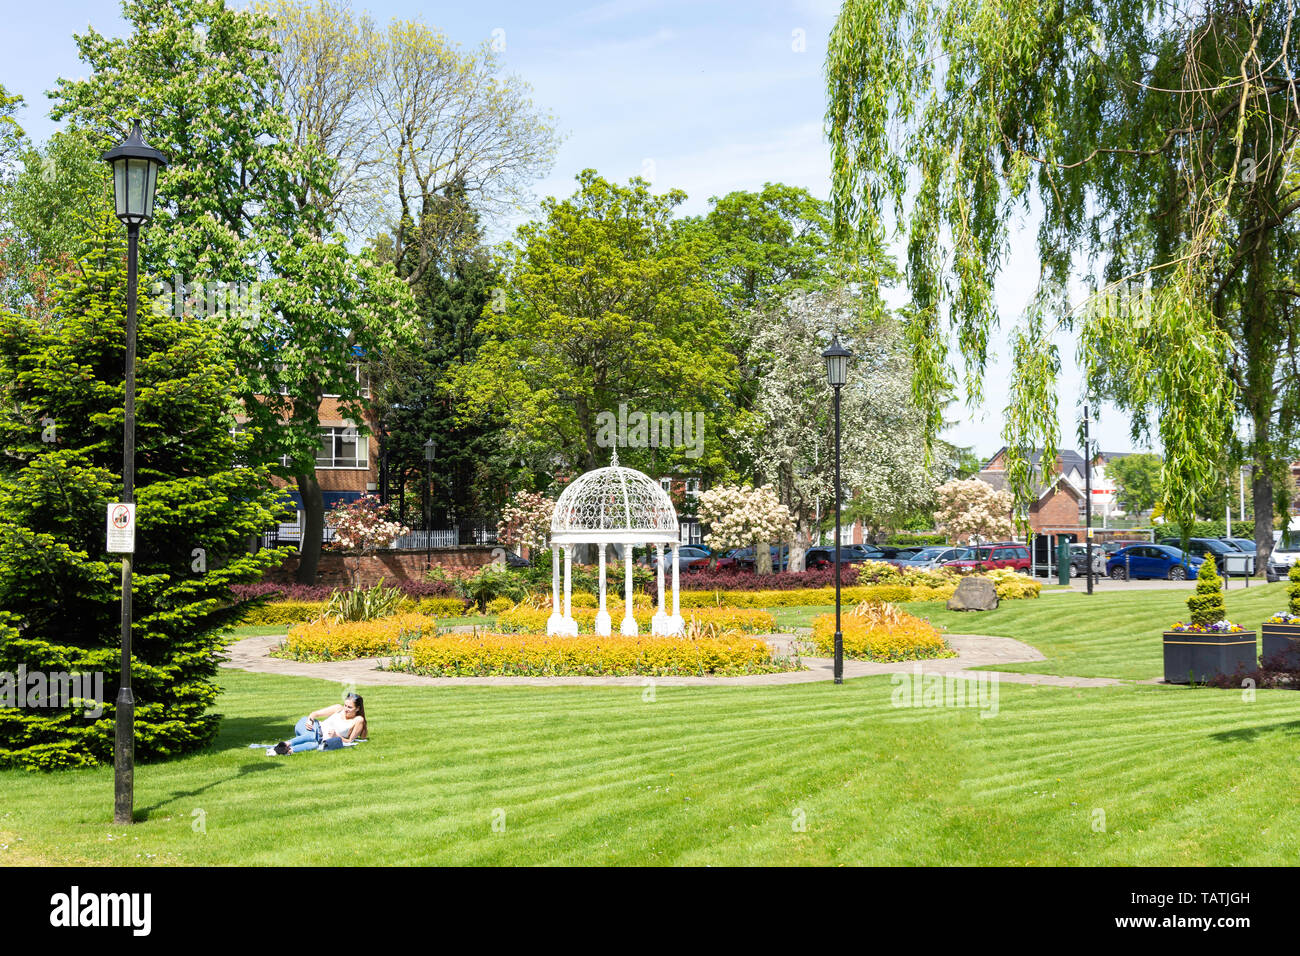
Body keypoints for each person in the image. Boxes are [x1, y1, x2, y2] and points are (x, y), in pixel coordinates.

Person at [268, 694, 367, 755]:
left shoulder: (358, 720)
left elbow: (349, 741)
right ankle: (285, 744)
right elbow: (314, 714)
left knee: (314, 745)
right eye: (345, 705)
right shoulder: (338, 708)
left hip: (319, 739)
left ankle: (287, 751)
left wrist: (337, 736)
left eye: (349, 707)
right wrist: (310, 720)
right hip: (311, 726)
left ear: (357, 708)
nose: (346, 709)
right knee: (311, 736)